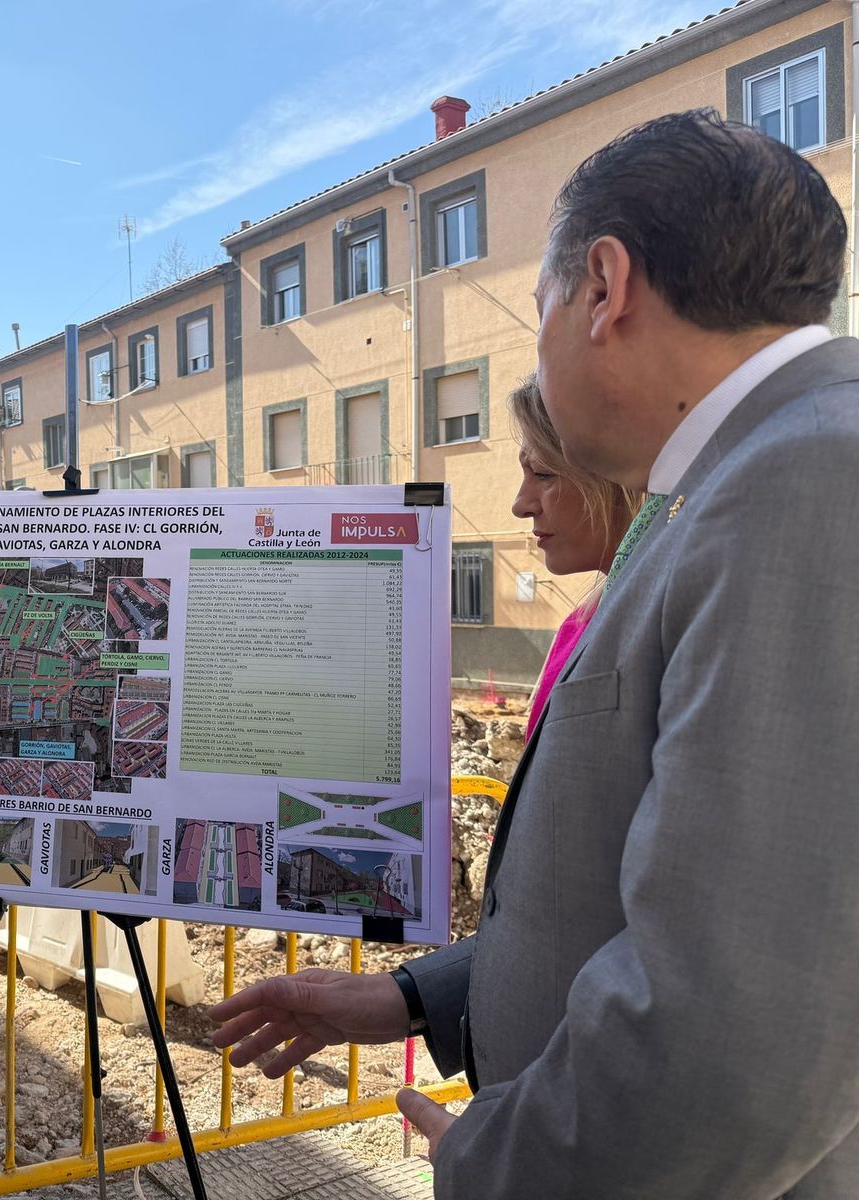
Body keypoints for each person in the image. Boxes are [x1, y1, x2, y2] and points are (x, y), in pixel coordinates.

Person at [210, 108, 859, 1196]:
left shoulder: (808, 481)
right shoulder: (719, 487)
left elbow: (740, 1023)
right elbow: (625, 887)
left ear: (603, 288)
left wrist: (499, 1168)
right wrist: (418, 999)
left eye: (542, 305)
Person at [506, 373, 638, 734]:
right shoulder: (581, 622)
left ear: (617, 477)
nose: (520, 505)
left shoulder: (657, 624)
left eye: (543, 473)